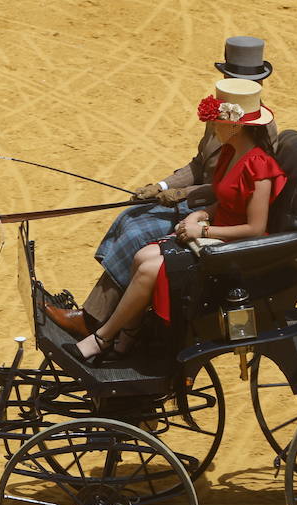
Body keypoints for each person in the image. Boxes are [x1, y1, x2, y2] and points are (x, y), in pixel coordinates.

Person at [44, 35, 276, 336]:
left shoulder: (257, 128)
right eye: (229, 78)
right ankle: (112, 312)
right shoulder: (222, 112)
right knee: (129, 217)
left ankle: (94, 320)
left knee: (136, 234)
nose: (230, 85)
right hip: (201, 205)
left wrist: (183, 195)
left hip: (213, 210)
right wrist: (162, 184)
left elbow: (234, 187)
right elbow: (198, 164)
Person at [67, 78, 286, 362]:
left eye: (218, 121)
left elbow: (255, 229)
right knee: (141, 256)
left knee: (149, 269)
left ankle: (102, 338)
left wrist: (203, 228)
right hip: (214, 234)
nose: (213, 126)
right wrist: (201, 213)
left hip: (235, 251)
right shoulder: (231, 152)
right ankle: (128, 339)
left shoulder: (260, 167)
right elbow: (225, 200)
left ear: (236, 124)